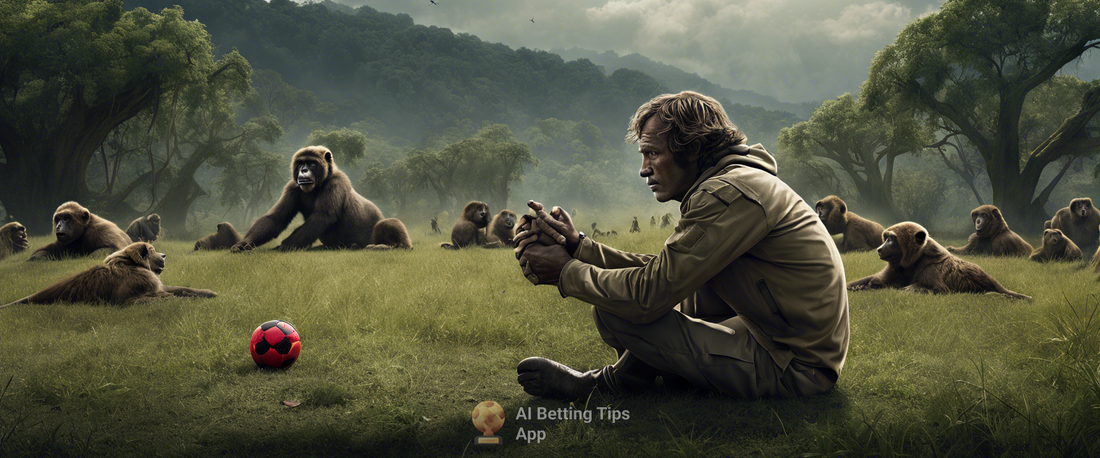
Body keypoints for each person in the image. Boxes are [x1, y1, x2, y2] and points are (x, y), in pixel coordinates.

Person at [513, 91, 848, 400]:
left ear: (693, 148)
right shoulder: (734, 183)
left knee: (618, 310)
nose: (644, 170)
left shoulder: (729, 195)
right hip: (767, 330)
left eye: (653, 154)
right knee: (636, 295)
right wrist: (578, 246)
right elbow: (667, 269)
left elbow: (647, 295)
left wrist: (564, 272)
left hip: (795, 365)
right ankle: (646, 375)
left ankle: (613, 384)